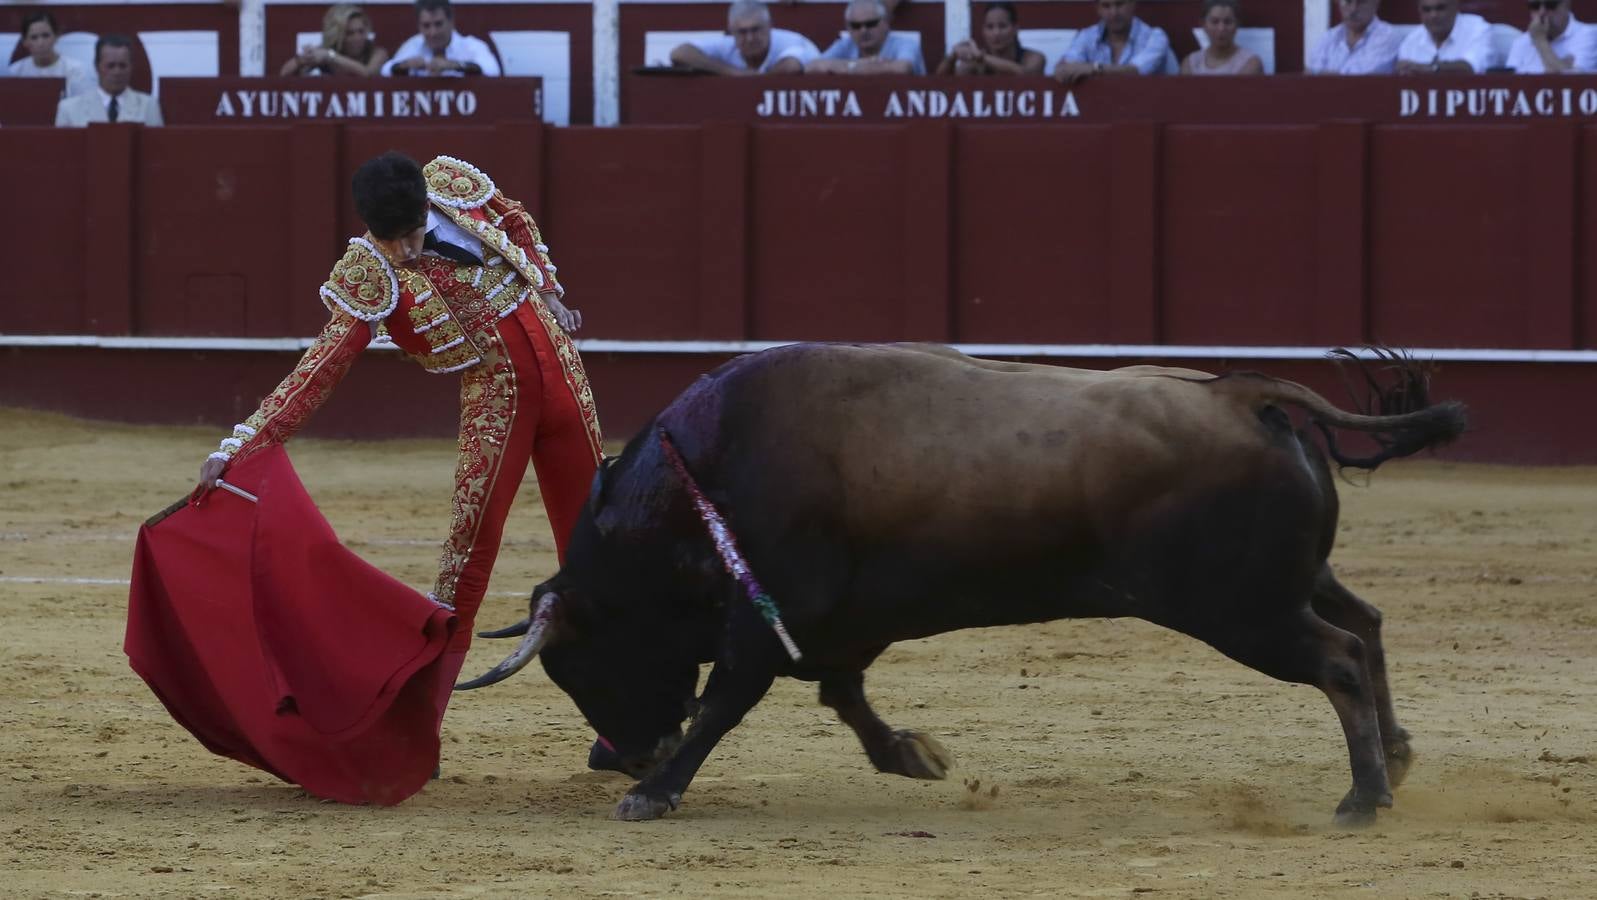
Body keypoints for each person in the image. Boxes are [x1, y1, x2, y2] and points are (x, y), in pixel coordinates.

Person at [194, 152, 603, 740]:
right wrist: (241, 445)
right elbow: (320, 369)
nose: (406, 253)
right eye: (393, 242)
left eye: (412, 235)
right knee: (467, 556)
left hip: (566, 380)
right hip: (496, 403)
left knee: (595, 543)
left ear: (424, 209)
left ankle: (622, 729)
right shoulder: (368, 270)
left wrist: (547, 287)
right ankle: (417, 728)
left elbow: (515, 219)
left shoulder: (455, 188)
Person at [669, 0, 818, 75]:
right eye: (742, 32)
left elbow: (791, 66)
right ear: (731, 32)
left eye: (756, 29)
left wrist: (748, 80)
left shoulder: (792, 41)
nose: (750, 38)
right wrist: (734, 73)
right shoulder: (727, 45)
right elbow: (679, 53)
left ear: (770, 27)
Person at [55, 34, 163, 126]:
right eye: (110, 66)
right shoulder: (69, 109)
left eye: (123, 66)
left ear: (131, 67)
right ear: (97, 67)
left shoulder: (148, 106)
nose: (117, 72)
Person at [1053, 0, 1171, 84]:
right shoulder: (1087, 36)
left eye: (1119, 4)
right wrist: (1064, 70)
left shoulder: (1155, 37)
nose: (1113, 13)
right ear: (1098, 9)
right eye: (1106, 6)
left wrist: (1093, 68)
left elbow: (1135, 71)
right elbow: (1065, 67)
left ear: (1133, 3)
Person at [382, 0, 501, 77]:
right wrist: (404, 66)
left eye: (438, 24)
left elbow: (492, 70)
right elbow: (385, 71)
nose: (433, 32)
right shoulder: (413, 45)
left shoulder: (471, 45)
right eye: (426, 25)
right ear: (419, 26)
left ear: (451, 22)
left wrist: (453, 65)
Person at [807, 0, 925, 75]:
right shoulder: (845, 44)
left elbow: (902, 68)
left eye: (871, 24)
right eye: (856, 26)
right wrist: (861, 65)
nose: (863, 31)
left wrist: (844, 68)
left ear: (886, 22)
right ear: (848, 27)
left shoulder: (905, 44)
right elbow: (812, 67)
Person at [936, 2, 1047, 77]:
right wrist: (952, 57)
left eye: (1002, 26)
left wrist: (981, 57)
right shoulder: (975, 63)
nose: (996, 33)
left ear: (1015, 29)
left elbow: (1025, 74)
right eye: (990, 27)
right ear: (983, 31)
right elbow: (938, 84)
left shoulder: (1034, 57)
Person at [280, 3, 390, 77]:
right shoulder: (327, 50)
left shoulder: (377, 53)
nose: (357, 38)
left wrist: (331, 57)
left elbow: (368, 74)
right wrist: (302, 60)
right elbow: (284, 74)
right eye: (350, 33)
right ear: (338, 36)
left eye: (361, 31)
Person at [1394, 0, 1498, 74]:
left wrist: (1429, 69)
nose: (1433, 15)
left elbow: (1472, 68)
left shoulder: (1477, 29)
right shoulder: (1411, 41)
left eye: (1440, 8)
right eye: (1426, 9)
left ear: (1456, 6)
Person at [8, 11, 95, 98]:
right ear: (25, 41)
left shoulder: (75, 70)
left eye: (45, 36)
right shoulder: (16, 71)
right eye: (34, 37)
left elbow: (83, 106)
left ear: (56, 36)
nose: (40, 43)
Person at [1307, 0, 1404, 74]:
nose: (1353, 9)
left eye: (1361, 2)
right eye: (1348, 1)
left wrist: (1322, 75)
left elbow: (1357, 80)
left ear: (1376, 3)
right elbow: (1312, 73)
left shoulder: (1387, 36)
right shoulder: (1330, 36)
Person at [1506, 0, 1597, 73]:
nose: (1542, 12)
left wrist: (1540, 41)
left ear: (1567, 5)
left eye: (1550, 5)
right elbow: (1510, 86)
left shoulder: (1588, 35)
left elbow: (1570, 85)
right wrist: (1561, 66)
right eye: (1535, 6)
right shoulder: (1521, 43)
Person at [1182, 0, 1263, 75]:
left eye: (1227, 22)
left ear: (1237, 24)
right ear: (1203, 24)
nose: (1221, 28)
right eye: (1215, 22)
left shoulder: (1250, 63)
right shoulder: (1190, 64)